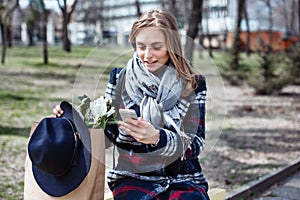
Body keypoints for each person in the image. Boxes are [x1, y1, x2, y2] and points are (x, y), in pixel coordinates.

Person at [53, 9, 209, 200]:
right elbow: (107, 136)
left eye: (156, 47)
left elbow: (196, 144)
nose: (147, 55)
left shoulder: (192, 84)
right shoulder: (120, 79)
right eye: (141, 46)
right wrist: (72, 121)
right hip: (134, 178)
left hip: (183, 178)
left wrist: (158, 138)